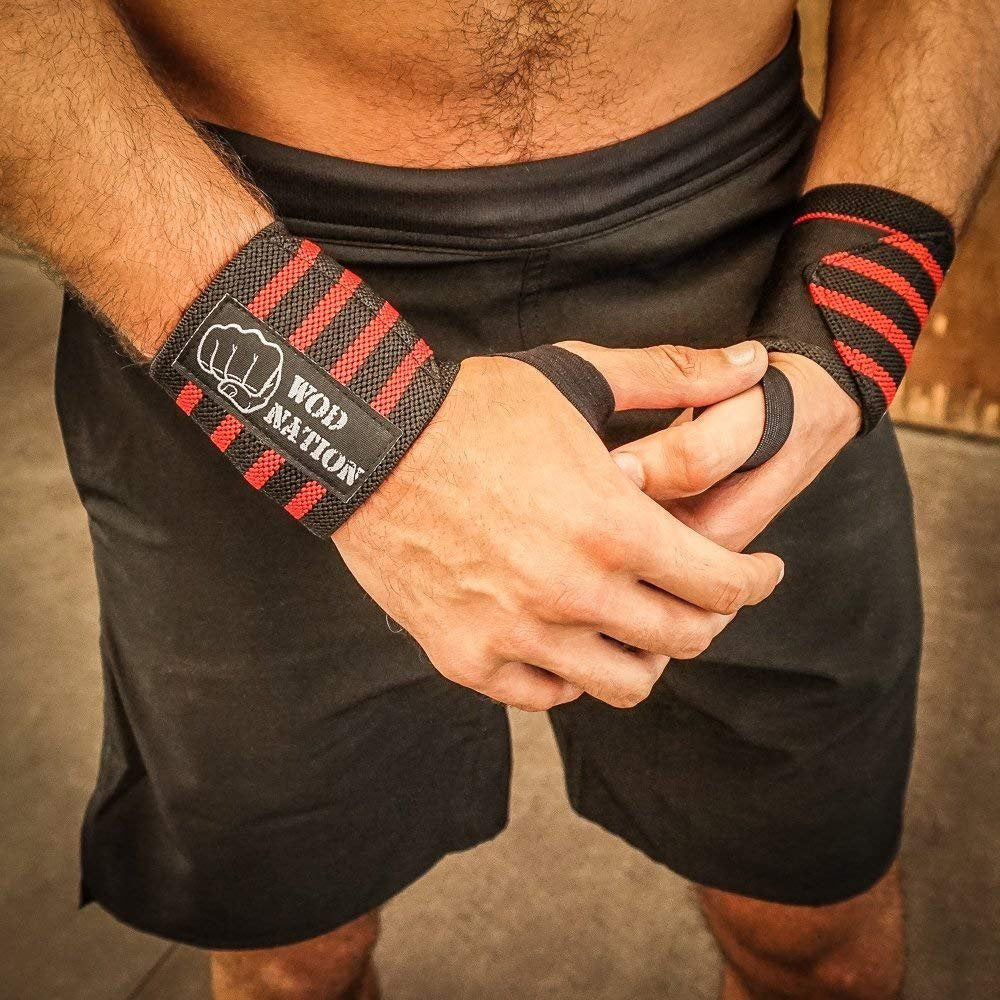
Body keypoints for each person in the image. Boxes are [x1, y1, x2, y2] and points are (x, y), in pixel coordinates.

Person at [1, 2, 997, 997]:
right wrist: (363, 434)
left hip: (746, 269)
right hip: (229, 247)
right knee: (289, 964)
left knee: (823, 950)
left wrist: (847, 326)